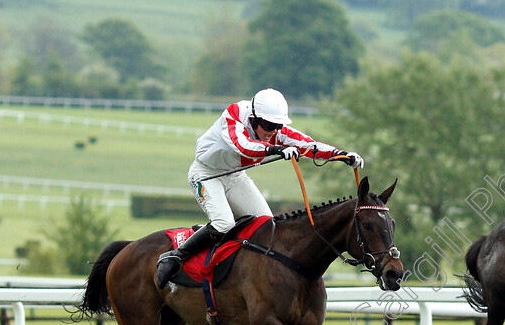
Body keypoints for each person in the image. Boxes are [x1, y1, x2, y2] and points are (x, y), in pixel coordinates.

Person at [155, 88, 364, 289]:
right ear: (254, 118)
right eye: (267, 125)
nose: (273, 131)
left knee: (266, 226)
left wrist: (342, 155)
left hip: (235, 176)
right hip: (207, 174)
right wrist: (276, 149)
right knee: (223, 222)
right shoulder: (234, 114)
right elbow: (243, 145)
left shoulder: (273, 130)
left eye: (277, 126)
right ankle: (175, 256)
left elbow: (306, 144)